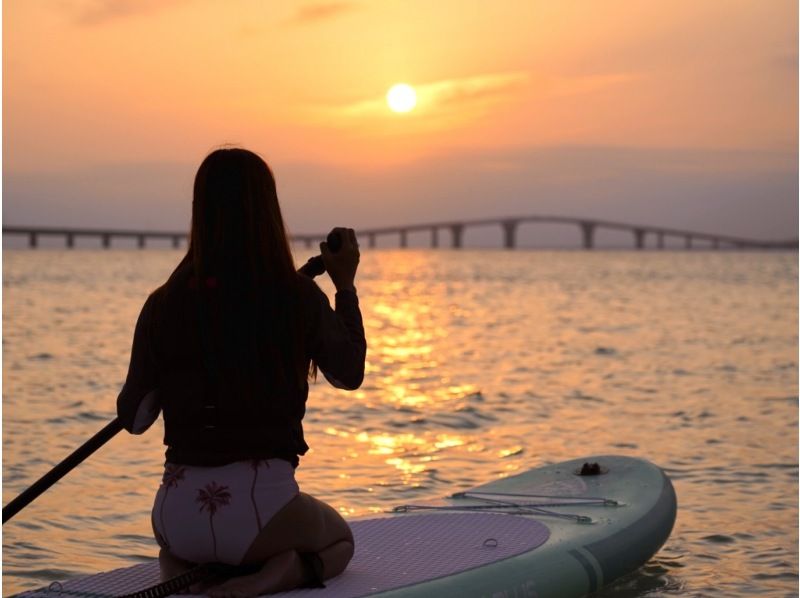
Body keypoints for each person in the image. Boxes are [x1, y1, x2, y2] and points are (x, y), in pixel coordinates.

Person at [116, 147, 366, 597]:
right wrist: (344, 287)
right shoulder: (297, 297)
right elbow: (348, 374)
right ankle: (270, 577)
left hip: (176, 517)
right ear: (268, 211)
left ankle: (181, 573)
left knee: (181, 547)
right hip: (258, 515)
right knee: (340, 541)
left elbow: (134, 420)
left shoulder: (163, 304)